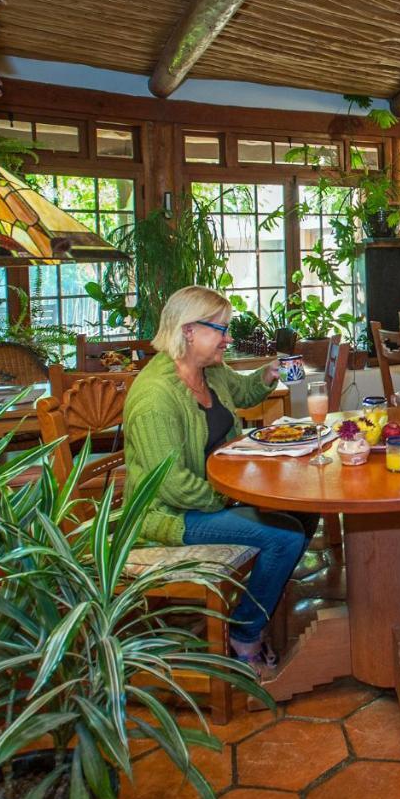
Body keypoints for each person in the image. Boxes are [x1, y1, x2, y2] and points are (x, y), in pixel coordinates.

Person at [124, 285, 316, 677]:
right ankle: (245, 632)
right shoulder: (155, 397)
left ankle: (259, 600)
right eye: (222, 330)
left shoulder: (208, 369)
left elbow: (241, 392)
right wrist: (231, 497)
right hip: (169, 516)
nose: (228, 339)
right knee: (286, 537)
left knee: (305, 509)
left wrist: (268, 374)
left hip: (213, 498)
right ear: (189, 330)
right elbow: (172, 485)